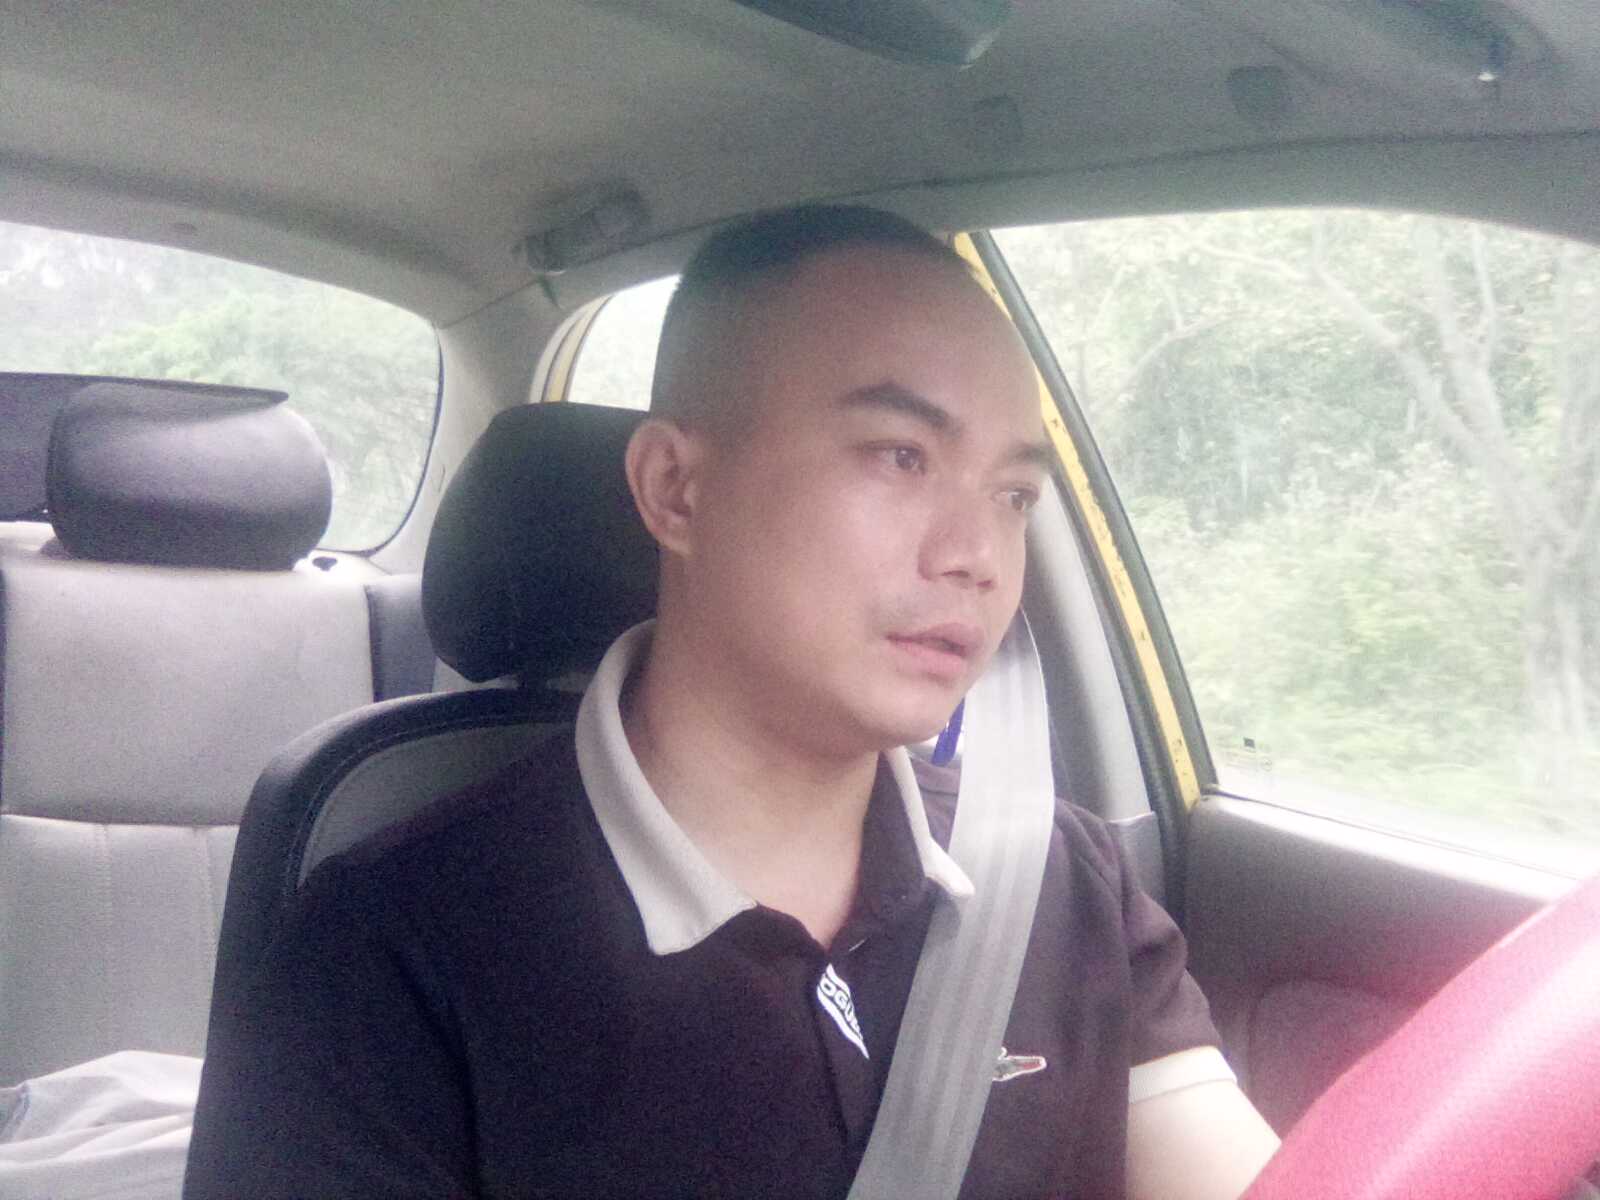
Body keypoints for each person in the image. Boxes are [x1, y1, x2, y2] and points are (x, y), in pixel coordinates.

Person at [184, 204, 1280, 1198]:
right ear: (677, 488)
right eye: (901, 456)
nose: (979, 557)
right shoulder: (390, 957)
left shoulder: (1061, 881)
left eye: (1013, 494)